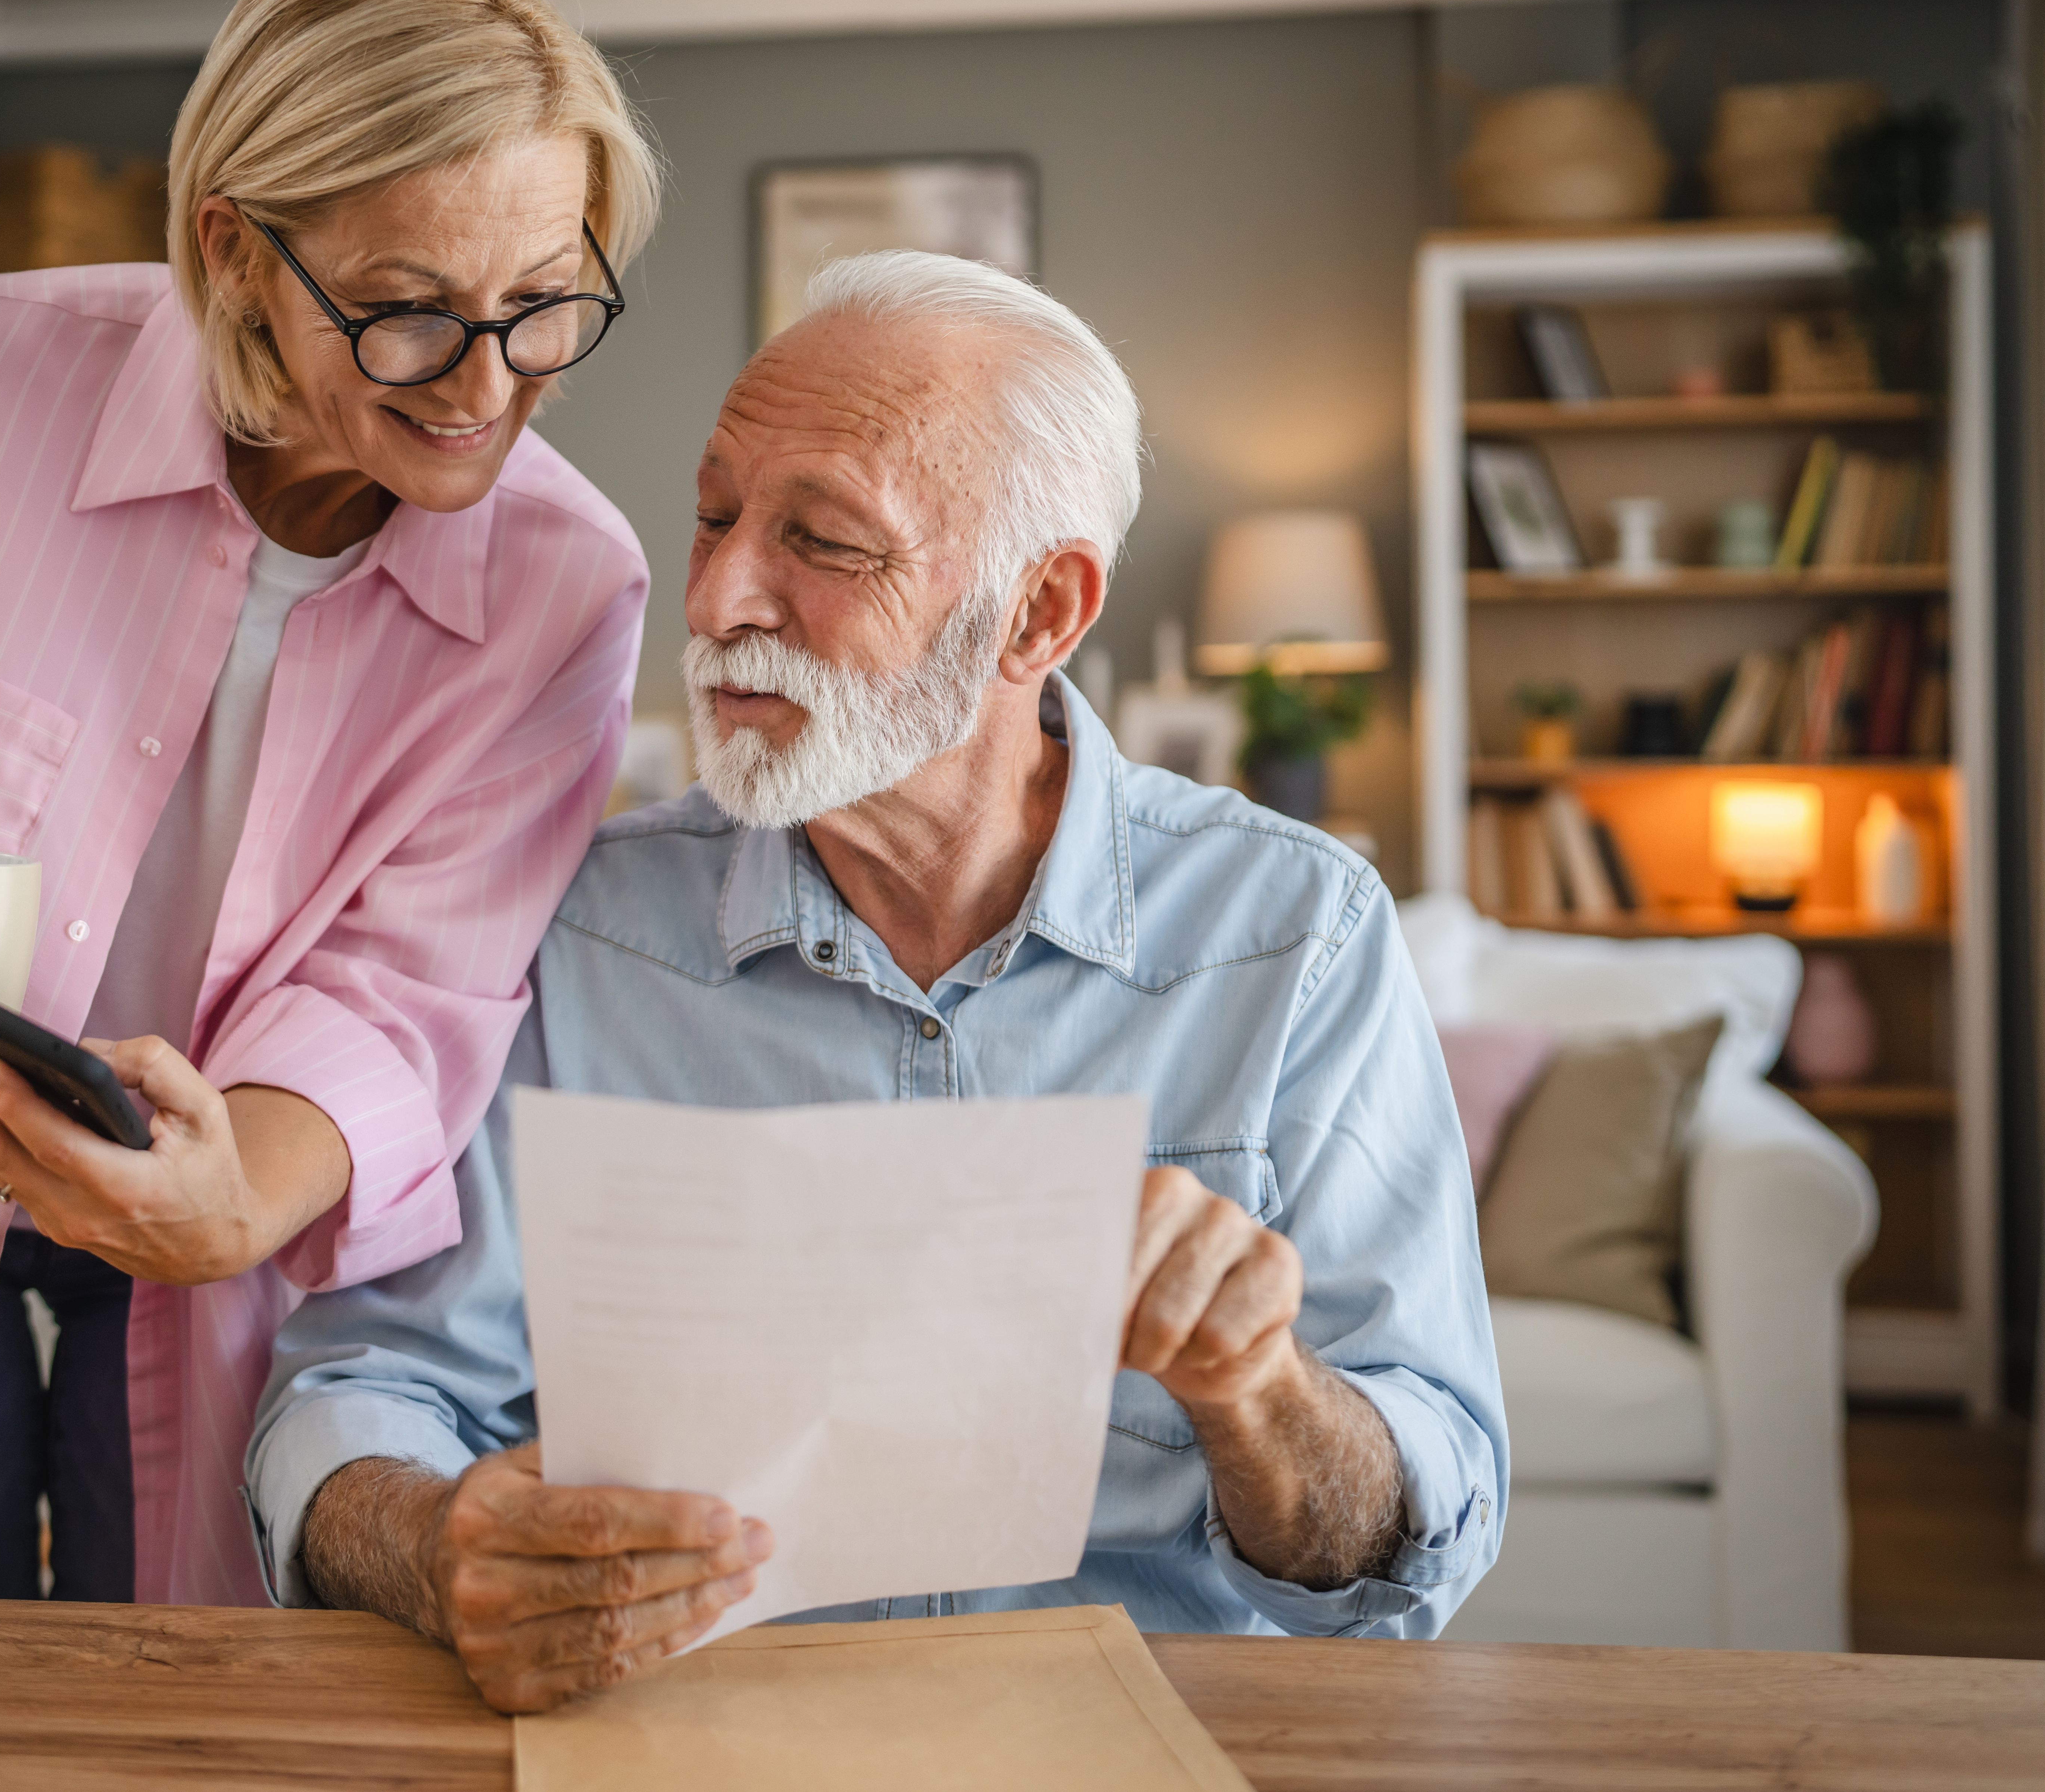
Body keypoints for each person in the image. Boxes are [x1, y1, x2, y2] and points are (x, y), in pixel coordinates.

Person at [245, 252, 1505, 1711]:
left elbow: (1418, 1534)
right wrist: (430, 1540)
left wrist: (1258, 1392)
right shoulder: (570, 930)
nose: (716, 596)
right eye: (713, 515)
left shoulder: (1295, 932)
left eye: (823, 542)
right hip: (685, 1739)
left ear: (1037, 616)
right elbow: (342, 1397)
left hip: (1145, 1737)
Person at [0, 0, 657, 1603]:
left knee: (163, 1713)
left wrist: (227, 1199)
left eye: (544, 304)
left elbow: (413, 993)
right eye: (407, 314)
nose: (486, 387)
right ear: (234, 246)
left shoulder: (564, 588)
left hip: (212, 1221)